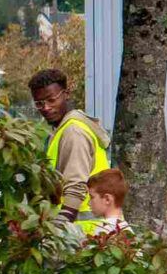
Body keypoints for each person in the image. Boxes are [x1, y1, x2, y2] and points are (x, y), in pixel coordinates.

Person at [28, 67, 109, 223]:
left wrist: (61, 225)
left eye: (51, 100)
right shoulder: (62, 129)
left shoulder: (74, 131)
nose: (46, 108)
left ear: (66, 94)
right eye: (39, 103)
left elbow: (76, 185)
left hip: (82, 233)